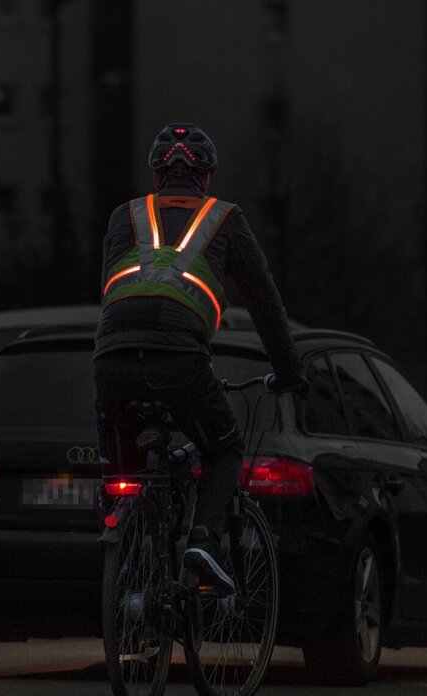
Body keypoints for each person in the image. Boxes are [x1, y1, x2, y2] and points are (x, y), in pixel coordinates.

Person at [94, 122, 307, 591]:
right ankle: (203, 543)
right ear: (206, 178)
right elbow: (265, 304)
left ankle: (120, 526)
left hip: (112, 356)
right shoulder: (226, 218)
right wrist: (289, 371)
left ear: (156, 178)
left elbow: (112, 291)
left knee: (123, 465)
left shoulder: (123, 217)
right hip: (181, 360)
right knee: (224, 446)